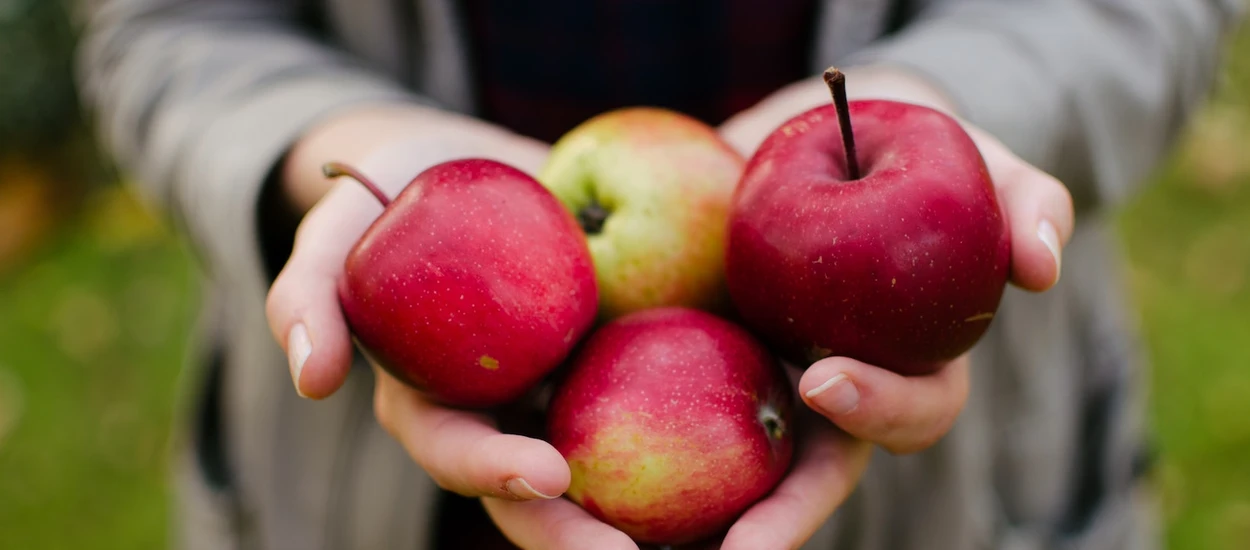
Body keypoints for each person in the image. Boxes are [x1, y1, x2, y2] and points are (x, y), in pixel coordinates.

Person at [75, 1, 1242, 549]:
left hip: (952, 488)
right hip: (371, 495)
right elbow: (162, 26)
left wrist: (942, 101)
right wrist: (339, 139)